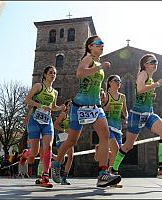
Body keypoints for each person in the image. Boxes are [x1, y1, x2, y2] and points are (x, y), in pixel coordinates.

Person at [52, 35, 121, 187]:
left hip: (95, 106)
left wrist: (101, 92)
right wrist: (100, 68)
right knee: (72, 140)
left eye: (103, 44)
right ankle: (56, 163)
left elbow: (92, 82)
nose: (102, 46)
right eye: (98, 43)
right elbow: (80, 73)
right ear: (90, 46)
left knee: (105, 135)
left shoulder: (97, 61)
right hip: (79, 106)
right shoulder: (88, 58)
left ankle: (103, 174)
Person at [111, 54, 162, 179]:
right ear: (145, 65)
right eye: (152, 61)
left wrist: (151, 95)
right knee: (128, 146)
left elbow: (142, 92)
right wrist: (157, 84)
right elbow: (140, 89)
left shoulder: (150, 77)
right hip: (137, 115)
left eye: (156, 61)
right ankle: (113, 169)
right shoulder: (143, 74)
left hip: (148, 114)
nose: (155, 63)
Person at [20, 65, 64, 188]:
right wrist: (39, 105)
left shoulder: (54, 92)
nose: (53, 75)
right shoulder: (38, 86)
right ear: (44, 74)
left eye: (54, 73)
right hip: (34, 120)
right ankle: (25, 154)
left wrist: (60, 108)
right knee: (34, 152)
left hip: (47, 121)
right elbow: (27, 100)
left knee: (48, 147)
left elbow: (53, 107)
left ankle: (45, 176)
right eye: (50, 73)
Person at [95, 75, 128, 174]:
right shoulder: (106, 96)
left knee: (117, 153)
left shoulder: (122, 97)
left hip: (118, 127)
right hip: (107, 126)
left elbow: (125, 111)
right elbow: (99, 110)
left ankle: (111, 173)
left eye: (120, 81)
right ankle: (114, 173)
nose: (118, 82)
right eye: (116, 80)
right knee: (116, 149)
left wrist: (126, 119)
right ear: (110, 83)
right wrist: (105, 109)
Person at [52, 99, 73, 185]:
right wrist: (64, 130)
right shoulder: (64, 114)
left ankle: (64, 177)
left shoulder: (74, 115)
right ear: (66, 106)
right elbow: (55, 124)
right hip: (62, 136)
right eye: (69, 105)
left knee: (69, 157)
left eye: (72, 105)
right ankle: (54, 163)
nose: (71, 106)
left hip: (70, 137)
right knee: (62, 159)